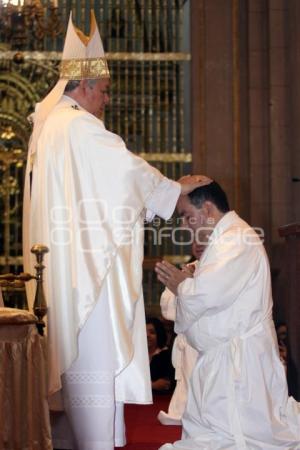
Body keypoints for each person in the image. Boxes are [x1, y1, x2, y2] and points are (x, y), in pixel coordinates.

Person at [22, 11, 210, 450]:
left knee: (83, 383)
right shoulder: (81, 129)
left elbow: (104, 195)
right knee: (95, 363)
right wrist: (177, 189)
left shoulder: (51, 126)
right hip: (88, 275)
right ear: (84, 85)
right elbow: (127, 175)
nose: (106, 100)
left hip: (68, 266)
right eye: (104, 91)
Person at [155, 181, 300, 449]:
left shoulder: (237, 239)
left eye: (187, 216)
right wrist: (186, 283)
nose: (185, 226)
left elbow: (207, 295)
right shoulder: (223, 240)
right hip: (219, 359)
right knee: (212, 436)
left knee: (237, 438)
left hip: (238, 363)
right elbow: (196, 300)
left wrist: (181, 284)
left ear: (208, 209)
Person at [158, 242, 205, 426]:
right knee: (186, 379)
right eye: (195, 242)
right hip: (187, 338)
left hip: (208, 337)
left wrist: (188, 285)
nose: (198, 246)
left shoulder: (220, 269)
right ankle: (183, 412)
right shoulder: (186, 269)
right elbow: (167, 310)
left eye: (204, 240)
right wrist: (184, 280)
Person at [146, 317, 175, 393]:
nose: (147, 335)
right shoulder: (134, 354)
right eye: (144, 332)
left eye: (152, 332)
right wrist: (152, 385)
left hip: (161, 400)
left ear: (159, 334)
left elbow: (165, 384)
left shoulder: (168, 355)